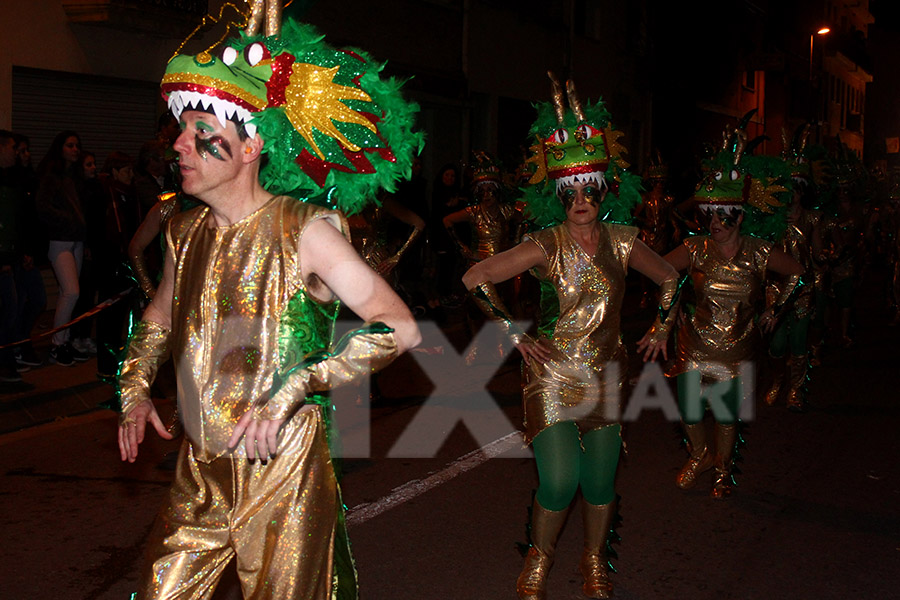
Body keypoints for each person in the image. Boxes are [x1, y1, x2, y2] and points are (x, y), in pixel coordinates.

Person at [117, 16, 422, 599]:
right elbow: (157, 317)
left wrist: (298, 385)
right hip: (199, 472)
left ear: (251, 145)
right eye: (179, 129)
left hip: (282, 469)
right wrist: (133, 388)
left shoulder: (305, 231)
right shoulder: (183, 232)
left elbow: (399, 326)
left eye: (199, 129)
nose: (178, 143)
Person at [464, 78, 678, 600]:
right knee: (560, 483)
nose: (580, 200)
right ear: (556, 194)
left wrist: (662, 326)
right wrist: (513, 334)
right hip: (552, 376)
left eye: (588, 189)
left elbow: (671, 278)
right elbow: (475, 278)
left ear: (604, 190)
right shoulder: (544, 243)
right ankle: (540, 559)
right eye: (569, 191)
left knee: (600, 485)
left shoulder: (625, 241)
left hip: (606, 375)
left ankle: (594, 562)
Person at [650, 128, 804, 500]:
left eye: (722, 216)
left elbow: (798, 273)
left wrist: (776, 309)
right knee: (688, 408)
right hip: (695, 341)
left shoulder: (759, 252)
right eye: (710, 215)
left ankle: (722, 471)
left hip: (737, 344)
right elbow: (658, 269)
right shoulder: (695, 248)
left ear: (738, 217)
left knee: (723, 413)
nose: (714, 223)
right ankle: (700, 454)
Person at [36, 130, 89, 366]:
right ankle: (57, 344)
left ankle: (64, 340)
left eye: (77, 145)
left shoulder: (74, 177)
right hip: (59, 240)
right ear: (60, 148)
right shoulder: (51, 176)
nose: (75, 149)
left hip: (76, 241)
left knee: (66, 294)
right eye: (70, 146)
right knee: (71, 291)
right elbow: (42, 207)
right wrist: (67, 219)